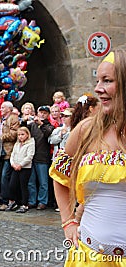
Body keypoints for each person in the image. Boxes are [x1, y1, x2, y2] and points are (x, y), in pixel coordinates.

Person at [50, 50, 126, 265]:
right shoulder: (86, 130)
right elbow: (59, 176)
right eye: (98, 80)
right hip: (89, 258)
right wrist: (68, 222)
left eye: (107, 80)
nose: (97, 88)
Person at [22, 105, 54, 210]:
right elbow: (23, 131)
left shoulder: (49, 125)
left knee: (43, 182)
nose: (42, 114)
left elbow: (48, 133)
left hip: (43, 157)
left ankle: (42, 201)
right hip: (31, 157)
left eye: (45, 113)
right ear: (37, 113)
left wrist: (41, 124)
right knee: (31, 182)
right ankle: (32, 201)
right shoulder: (32, 125)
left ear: (48, 115)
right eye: (41, 112)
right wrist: (24, 121)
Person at [7, 127, 35, 213]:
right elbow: (13, 154)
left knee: (24, 186)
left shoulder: (30, 143)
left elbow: (29, 156)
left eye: (22, 134)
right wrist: (13, 163)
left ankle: (24, 205)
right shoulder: (17, 144)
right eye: (19, 135)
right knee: (12, 185)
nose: (20, 137)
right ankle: (13, 201)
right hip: (15, 166)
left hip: (25, 168)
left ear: (27, 134)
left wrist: (21, 164)